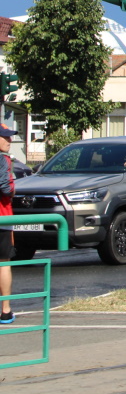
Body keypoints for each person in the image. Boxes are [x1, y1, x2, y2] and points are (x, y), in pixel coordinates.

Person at [0, 125, 17, 324]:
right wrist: (12, 192)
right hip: (3, 217)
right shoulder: (3, 160)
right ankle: (5, 310)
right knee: (4, 263)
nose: (9, 141)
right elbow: (5, 187)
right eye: (4, 137)